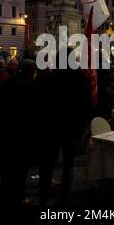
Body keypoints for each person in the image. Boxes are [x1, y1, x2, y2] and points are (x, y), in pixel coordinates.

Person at [38, 48, 92, 205]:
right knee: (69, 163)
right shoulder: (79, 78)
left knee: (48, 163)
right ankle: (64, 198)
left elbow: (40, 103)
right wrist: (83, 124)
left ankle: (43, 197)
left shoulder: (48, 78)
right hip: (71, 127)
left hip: (51, 126)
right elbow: (86, 104)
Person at [0, 59, 38, 205]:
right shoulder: (30, 87)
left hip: (6, 131)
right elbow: (33, 113)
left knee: (7, 168)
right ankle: (18, 196)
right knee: (20, 169)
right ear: (32, 72)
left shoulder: (9, 82)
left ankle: (4, 195)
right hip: (22, 134)